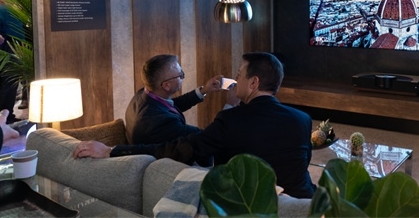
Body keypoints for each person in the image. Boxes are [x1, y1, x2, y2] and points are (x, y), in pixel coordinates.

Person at [73, 52, 316, 199]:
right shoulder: (303, 119)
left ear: (253, 83)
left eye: (239, 75)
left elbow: (178, 148)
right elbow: (302, 162)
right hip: (303, 201)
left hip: (250, 204)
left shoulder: (230, 121)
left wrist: (111, 150)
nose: (235, 79)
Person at [125, 54, 230, 146]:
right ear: (166, 85)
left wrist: (204, 90)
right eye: (180, 75)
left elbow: (171, 106)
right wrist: (230, 105)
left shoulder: (143, 95)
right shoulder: (160, 122)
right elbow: (206, 136)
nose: (183, 77)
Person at [0, 0, 25, 124]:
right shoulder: (7, 10)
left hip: (2, 48)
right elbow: (18, 33)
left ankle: (0, 117)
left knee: (0, 84)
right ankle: (7, 117)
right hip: (10, 48)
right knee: (9, 83)